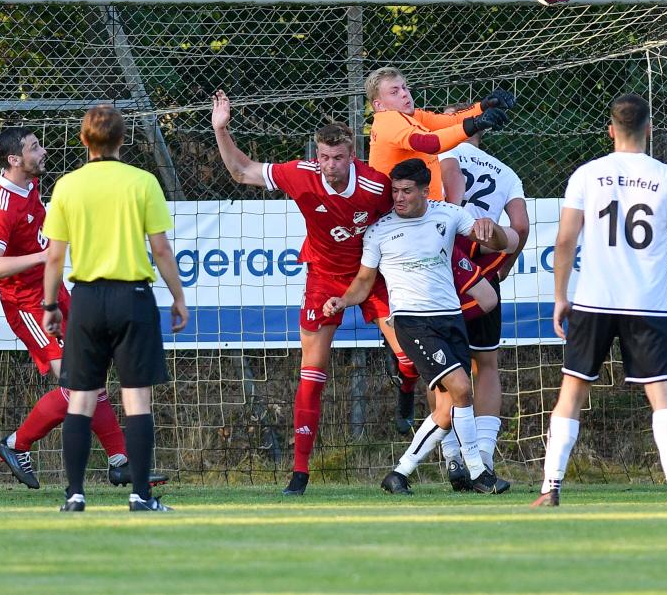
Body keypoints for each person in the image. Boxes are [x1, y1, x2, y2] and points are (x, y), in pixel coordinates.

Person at [212, 91, 426, 496]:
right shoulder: (302, 173)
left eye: (338, 158)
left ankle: (405, 389)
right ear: (317, 154)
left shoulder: (377, 187)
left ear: (353, 156)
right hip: (324, 279)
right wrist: (221, 129)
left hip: (372, 276)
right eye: (324, 157)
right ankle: (299, 473)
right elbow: (242, 171)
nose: (330, 166)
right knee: (312, 374)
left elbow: (409, 217)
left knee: (409, 355)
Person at [531, 94, 667, 509]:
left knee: (572, 390)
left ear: (611, 130)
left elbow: (565, 240)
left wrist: (562, 297)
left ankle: (550, 488)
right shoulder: (666, 176)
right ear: (649, 128)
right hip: (646, 303)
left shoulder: (587, 174)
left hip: (594, 300)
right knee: (662, 394)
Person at [0, 127, 165, 490]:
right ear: (14, 160)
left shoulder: (28, 185)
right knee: (77, 383)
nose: (44, 151)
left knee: (91, 377)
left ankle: (120, 461)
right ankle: (16, 444)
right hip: (27, 305)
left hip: (53, 293)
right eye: (35, 147)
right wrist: (43, 255)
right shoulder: (1, 205)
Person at [323, 158, 514, 495]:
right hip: (413, 323)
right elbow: (364, 283)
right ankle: (478, 472)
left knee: (445, 411)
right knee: (462, 390)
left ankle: (399, 473)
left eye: (407, 191)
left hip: (450, 318)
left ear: (426, 191)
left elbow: (499, 244)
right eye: (395, 190)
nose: (399, 197)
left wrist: (491, 229)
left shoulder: (449, 215)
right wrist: (342, 300)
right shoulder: (380, 231)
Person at [42, 105, 188, 513]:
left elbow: (54, 256)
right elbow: (160, 248)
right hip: (132, 298)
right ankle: (140, 495)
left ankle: (74, 495)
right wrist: (178, 297)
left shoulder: (68, 186)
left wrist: (50, 304)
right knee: (136, 399)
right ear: (124, 140)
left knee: (80, 400)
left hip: (86, 300)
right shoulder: (142, 182)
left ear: (84, 140)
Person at [436, 108, 531, 488]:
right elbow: (521, 226)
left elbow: (450, 199)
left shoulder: (442, 154)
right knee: (486, 365)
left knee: (440, 366)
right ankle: (485, 456)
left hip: (443, 265)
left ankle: (454, 457)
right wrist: (504, 266)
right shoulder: (506, 172)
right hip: (484, 272)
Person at [366, 66, 513, 201]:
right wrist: (476, 123)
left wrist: (483, 106)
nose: (404, 94)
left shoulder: (412, 116)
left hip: (420, 211)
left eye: (404, 87)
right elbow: (430, 143)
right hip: (400, 215)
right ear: (379, 105)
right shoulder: (388, 120)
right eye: (394, 92)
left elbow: (450, 120)